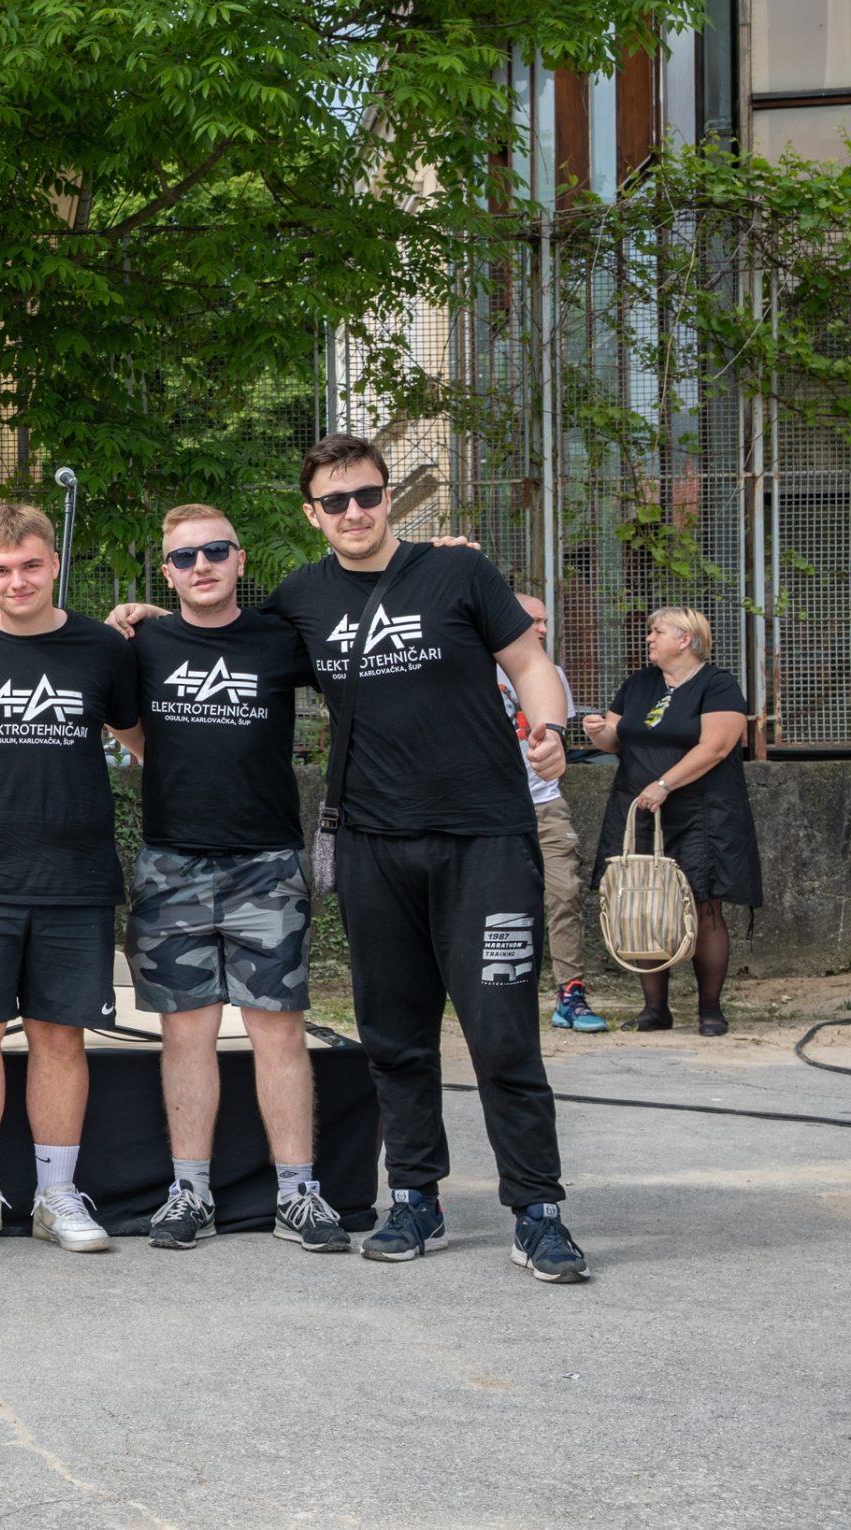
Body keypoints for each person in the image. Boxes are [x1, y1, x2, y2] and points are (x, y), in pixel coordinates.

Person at [119, 434, 589, 1283]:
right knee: (395, 1038)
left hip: (485, 837)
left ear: (387, 497)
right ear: (313, 515)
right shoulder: (302, 598)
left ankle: (538, 1212)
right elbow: (219, 637)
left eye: (367, 495)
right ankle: (414, 1198)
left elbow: (529, 661)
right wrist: (147, 618)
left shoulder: (458, 571)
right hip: (371, 842)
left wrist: (552, 727)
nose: (354, 512)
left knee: (501, 1036)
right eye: (334, 502)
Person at [0, 504, 347, 1252]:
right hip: (171, 865)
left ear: (238, 559)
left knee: (279, 1033)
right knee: (185, 1034)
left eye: (215, 551)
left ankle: (299, 1193)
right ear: (166, 572)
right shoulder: (138, 643)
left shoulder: (279, 637)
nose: (202, 566)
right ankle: (190, 1192)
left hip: (266, 863)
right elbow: (125, 724)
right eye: (185, 557)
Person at [0, 505, 138, 1254]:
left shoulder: (102, 648)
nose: (15, 581)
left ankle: (55, 1196)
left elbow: (145, 739)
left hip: (75, 881)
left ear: (54, 564)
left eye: (29, 566)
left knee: (60, 1037)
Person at [583, 607, 763, 1038]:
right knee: (642, 901)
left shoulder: (717, 685)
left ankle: (710, 1011)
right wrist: (596, 732)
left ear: (685, 640)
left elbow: (716, 747)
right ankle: (655, 1010)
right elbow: (616, 739)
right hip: (641, 807)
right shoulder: (638, 684)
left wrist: (665, 784)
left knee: (704, 905)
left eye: (657, 631)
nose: (648, 638)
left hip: (701, 811)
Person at [501, 592, 602, 1034]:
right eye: (533, 620)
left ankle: (570, 994)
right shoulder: (470, 667)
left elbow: (556, 741)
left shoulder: (551, 673)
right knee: (496, 904)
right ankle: (493, 997)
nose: (542, 628)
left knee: (564, 894)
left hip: (545, 805)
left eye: (545, 621)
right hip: (490, 810)